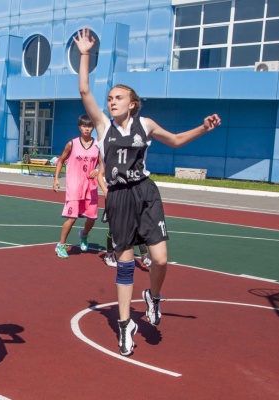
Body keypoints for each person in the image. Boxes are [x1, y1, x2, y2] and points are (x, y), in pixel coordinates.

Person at [74, 28, 221, 356]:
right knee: (125, 264)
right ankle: (125, 324)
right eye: (109, 98)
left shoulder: (147, 124)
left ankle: (153, 296)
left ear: (133, 104)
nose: (112, 102)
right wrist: (85, 54)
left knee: (160, 258)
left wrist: (203, 127)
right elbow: (84, 89)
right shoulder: (103, 127)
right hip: (119, 197)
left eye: (118, 98)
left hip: (145, 192)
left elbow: (177, 140)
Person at [52, 114, 100, 258]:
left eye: (89, 126)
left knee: (92, 217)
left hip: (90, 186)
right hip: (74, 186)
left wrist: (98, 171)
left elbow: (104, 164)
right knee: (72, 217)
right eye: (84, 126)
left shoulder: (98, 145)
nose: (87, 129)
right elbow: (61, 160)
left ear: (93, 128)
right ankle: (61, 245)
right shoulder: (72, 144)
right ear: (79, 127)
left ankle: (84, 234)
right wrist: (56, 179)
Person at [97, 161, 151, 268]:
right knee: (114, 227)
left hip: (131, 195)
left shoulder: (132, 158)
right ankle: (109, 254)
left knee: (137, 225)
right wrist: (105, 190)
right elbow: (100, 174)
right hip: (115, 196)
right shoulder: (110, 155)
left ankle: (144, 256)